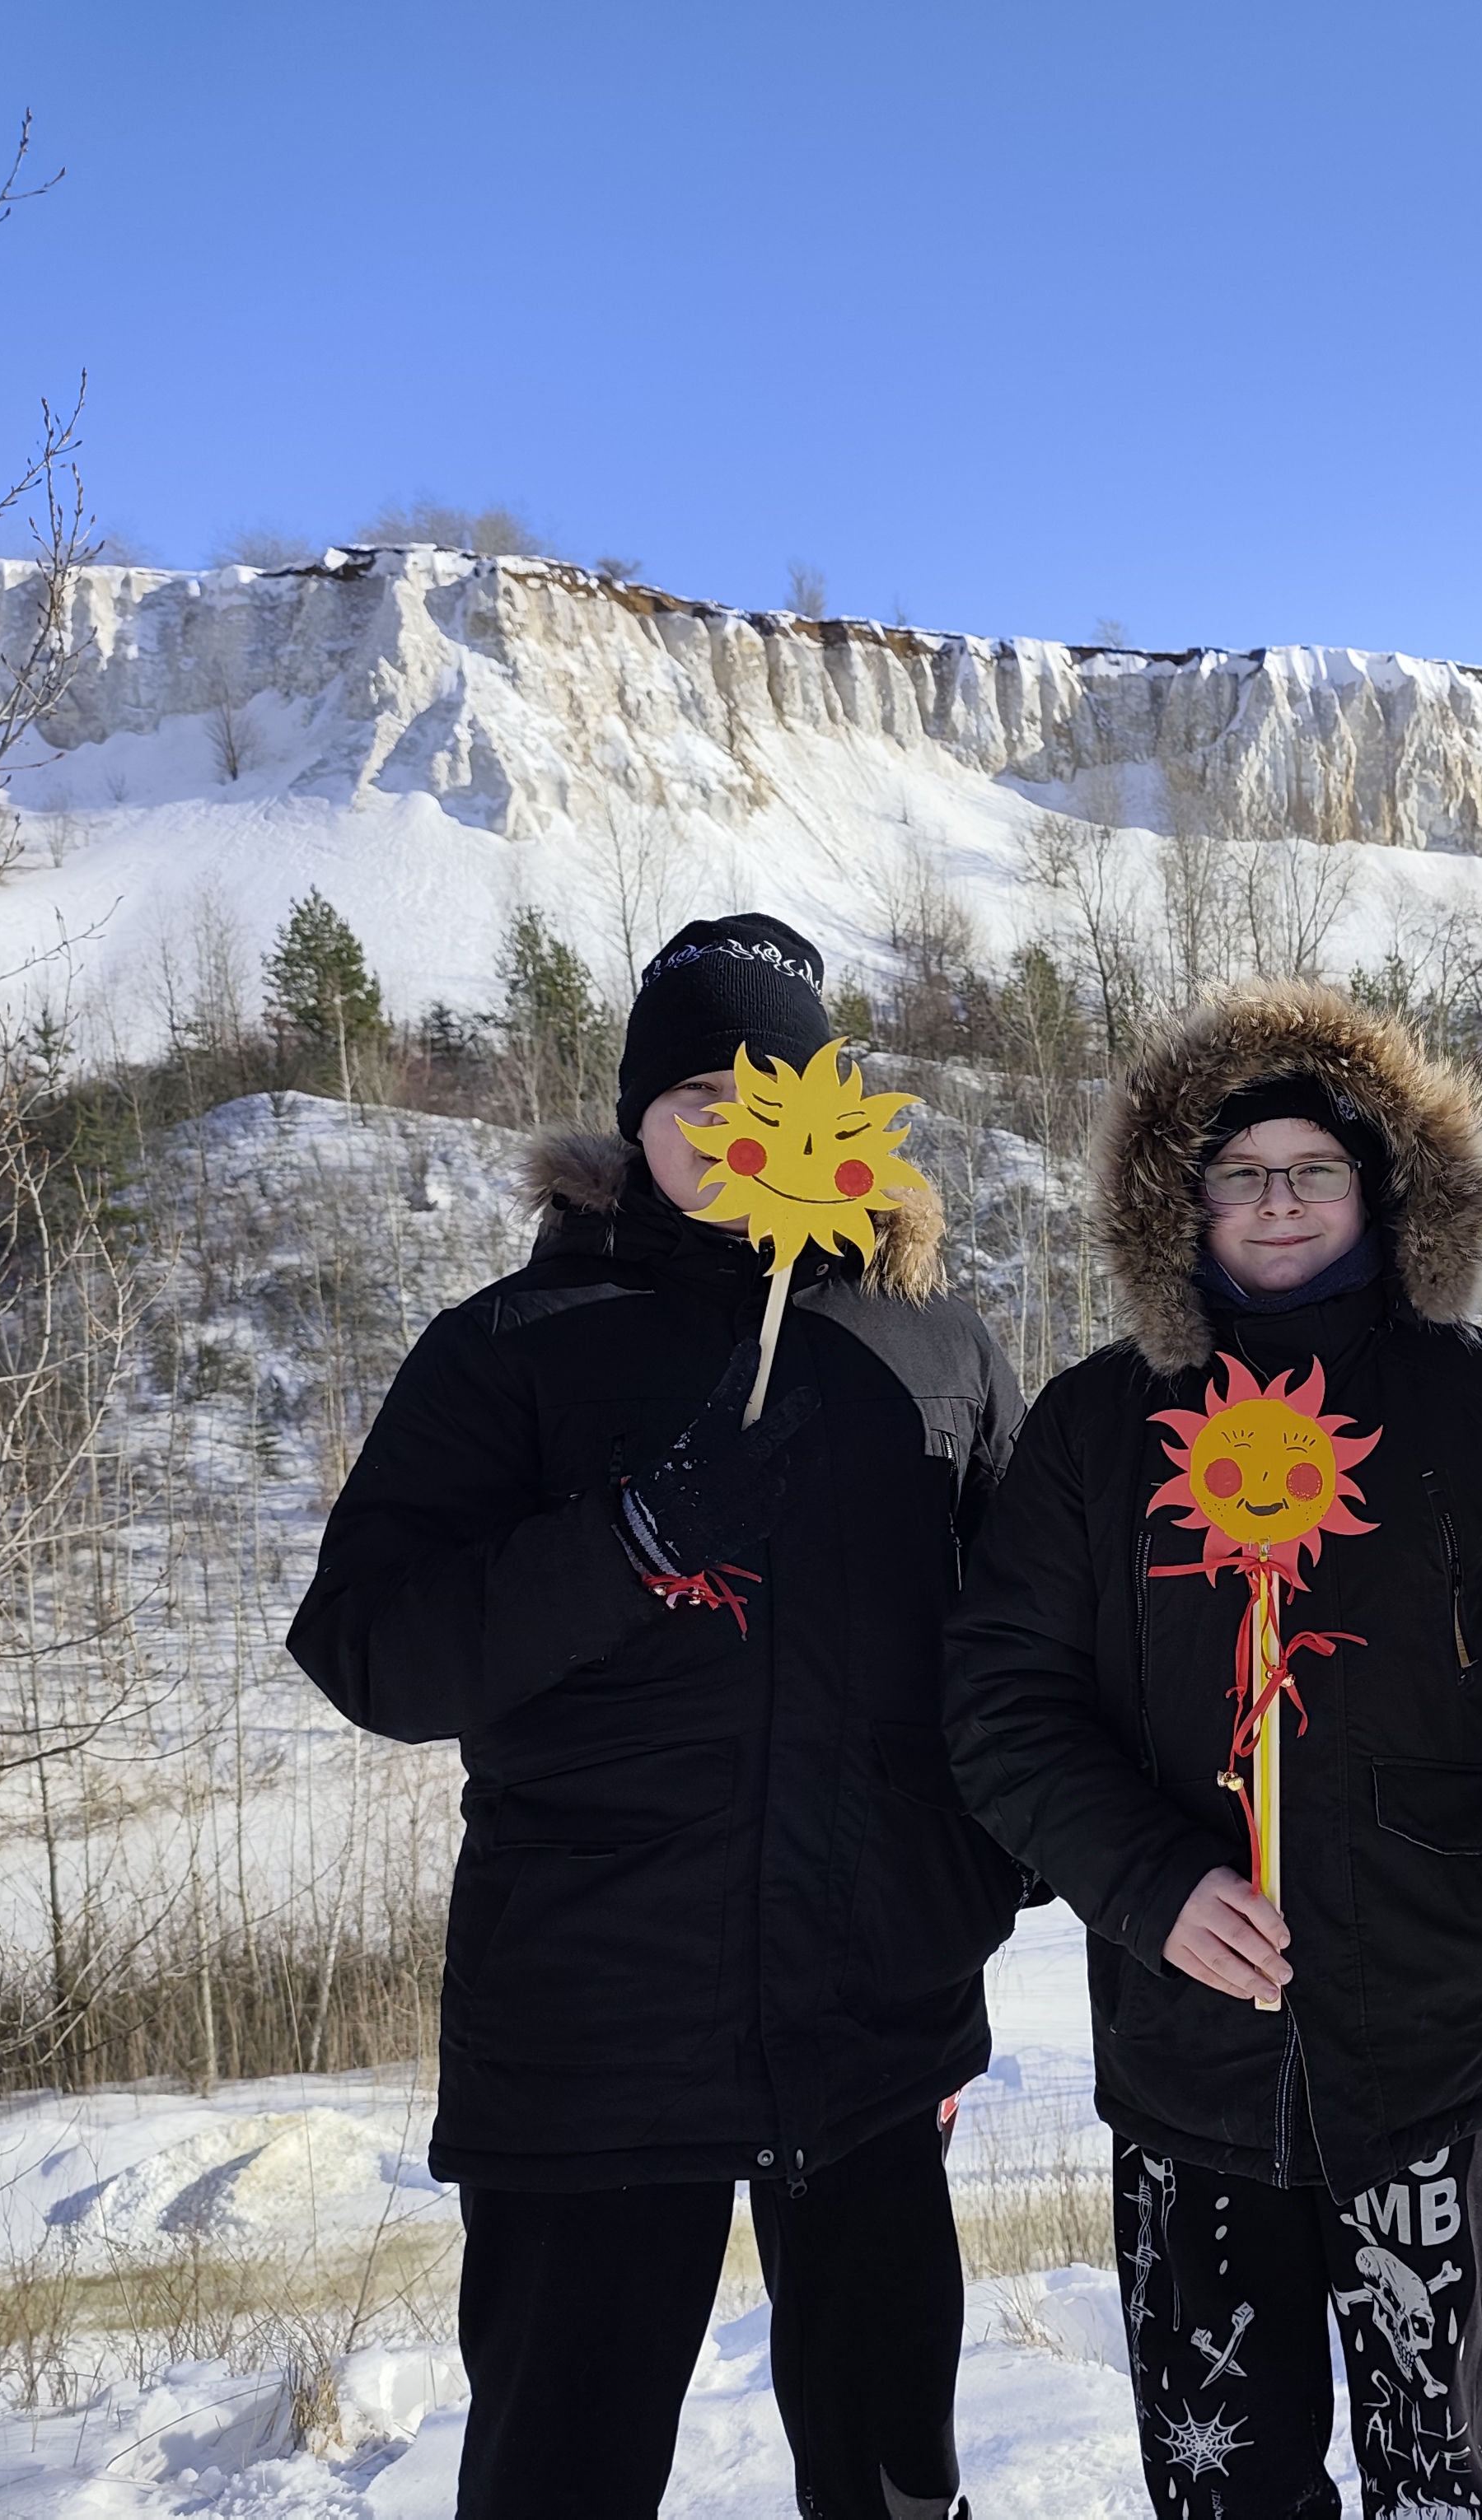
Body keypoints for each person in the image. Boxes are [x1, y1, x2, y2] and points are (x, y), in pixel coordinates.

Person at [288, 912, 1028, 2520]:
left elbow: (1028, 1643)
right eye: (696, 1096)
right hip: (592, 2039)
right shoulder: (513, 1349)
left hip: (873, 2033)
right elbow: (366, 1649)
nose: (735, 1127)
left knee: (896, 2482)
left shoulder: (937, 1346)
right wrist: (626, 1544)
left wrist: (983, 1877)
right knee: (561, 2480)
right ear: (635, 1122)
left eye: (775, 1095)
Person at [943, 980, 1482, 2519]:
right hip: (1187, 2039)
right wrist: (1149, 1886)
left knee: (1435, 2475)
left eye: (1313, 1168)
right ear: (1177, 1201)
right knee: (1223, 2481)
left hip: (1431, 2014)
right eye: (1240, 1171)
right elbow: (998, 1702)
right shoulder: (1097, 1424)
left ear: (1381, 1189)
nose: (1277, 1200)